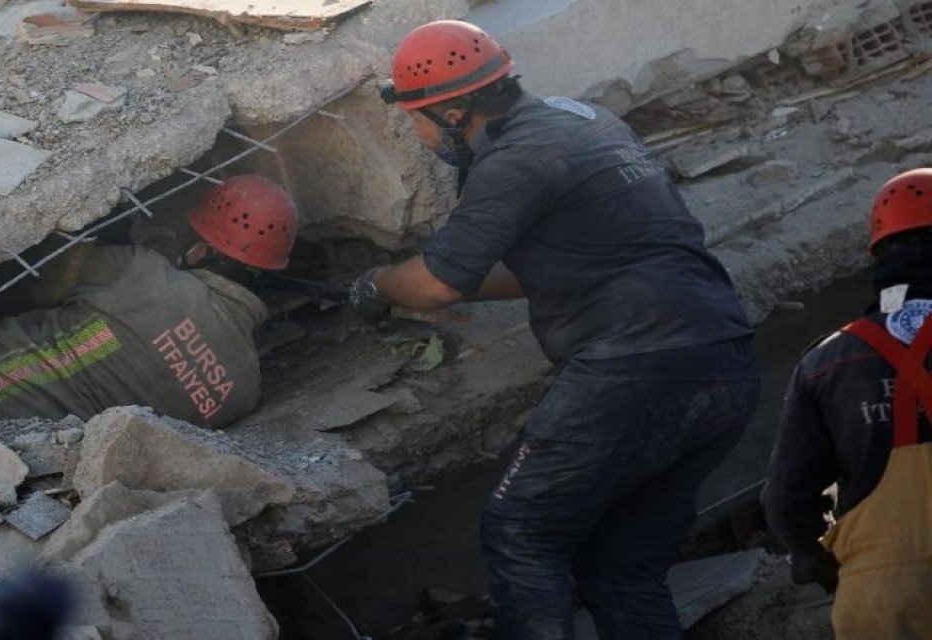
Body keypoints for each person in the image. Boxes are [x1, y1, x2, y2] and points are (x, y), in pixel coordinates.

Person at [348, 20, 761, 639]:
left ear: (454, 112)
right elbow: (535, 267)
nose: (419, 136)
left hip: (631, 368)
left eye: (417, 121)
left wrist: (377, 285)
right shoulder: (583, 120)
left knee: (521, 532)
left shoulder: (514, 159)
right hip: (723, 359)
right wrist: (446, 278)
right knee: (621, 567)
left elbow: (438, 283)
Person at [0, 174, 299, 429]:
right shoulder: (244, 393)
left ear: (198, 251)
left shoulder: (140, 273)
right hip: (2, 461)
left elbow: (26, 279)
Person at [762, 168, 932, 638]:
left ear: (880, 253)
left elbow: (787, 501)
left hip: (886, 598)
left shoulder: (825, 362)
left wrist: (838, 571)